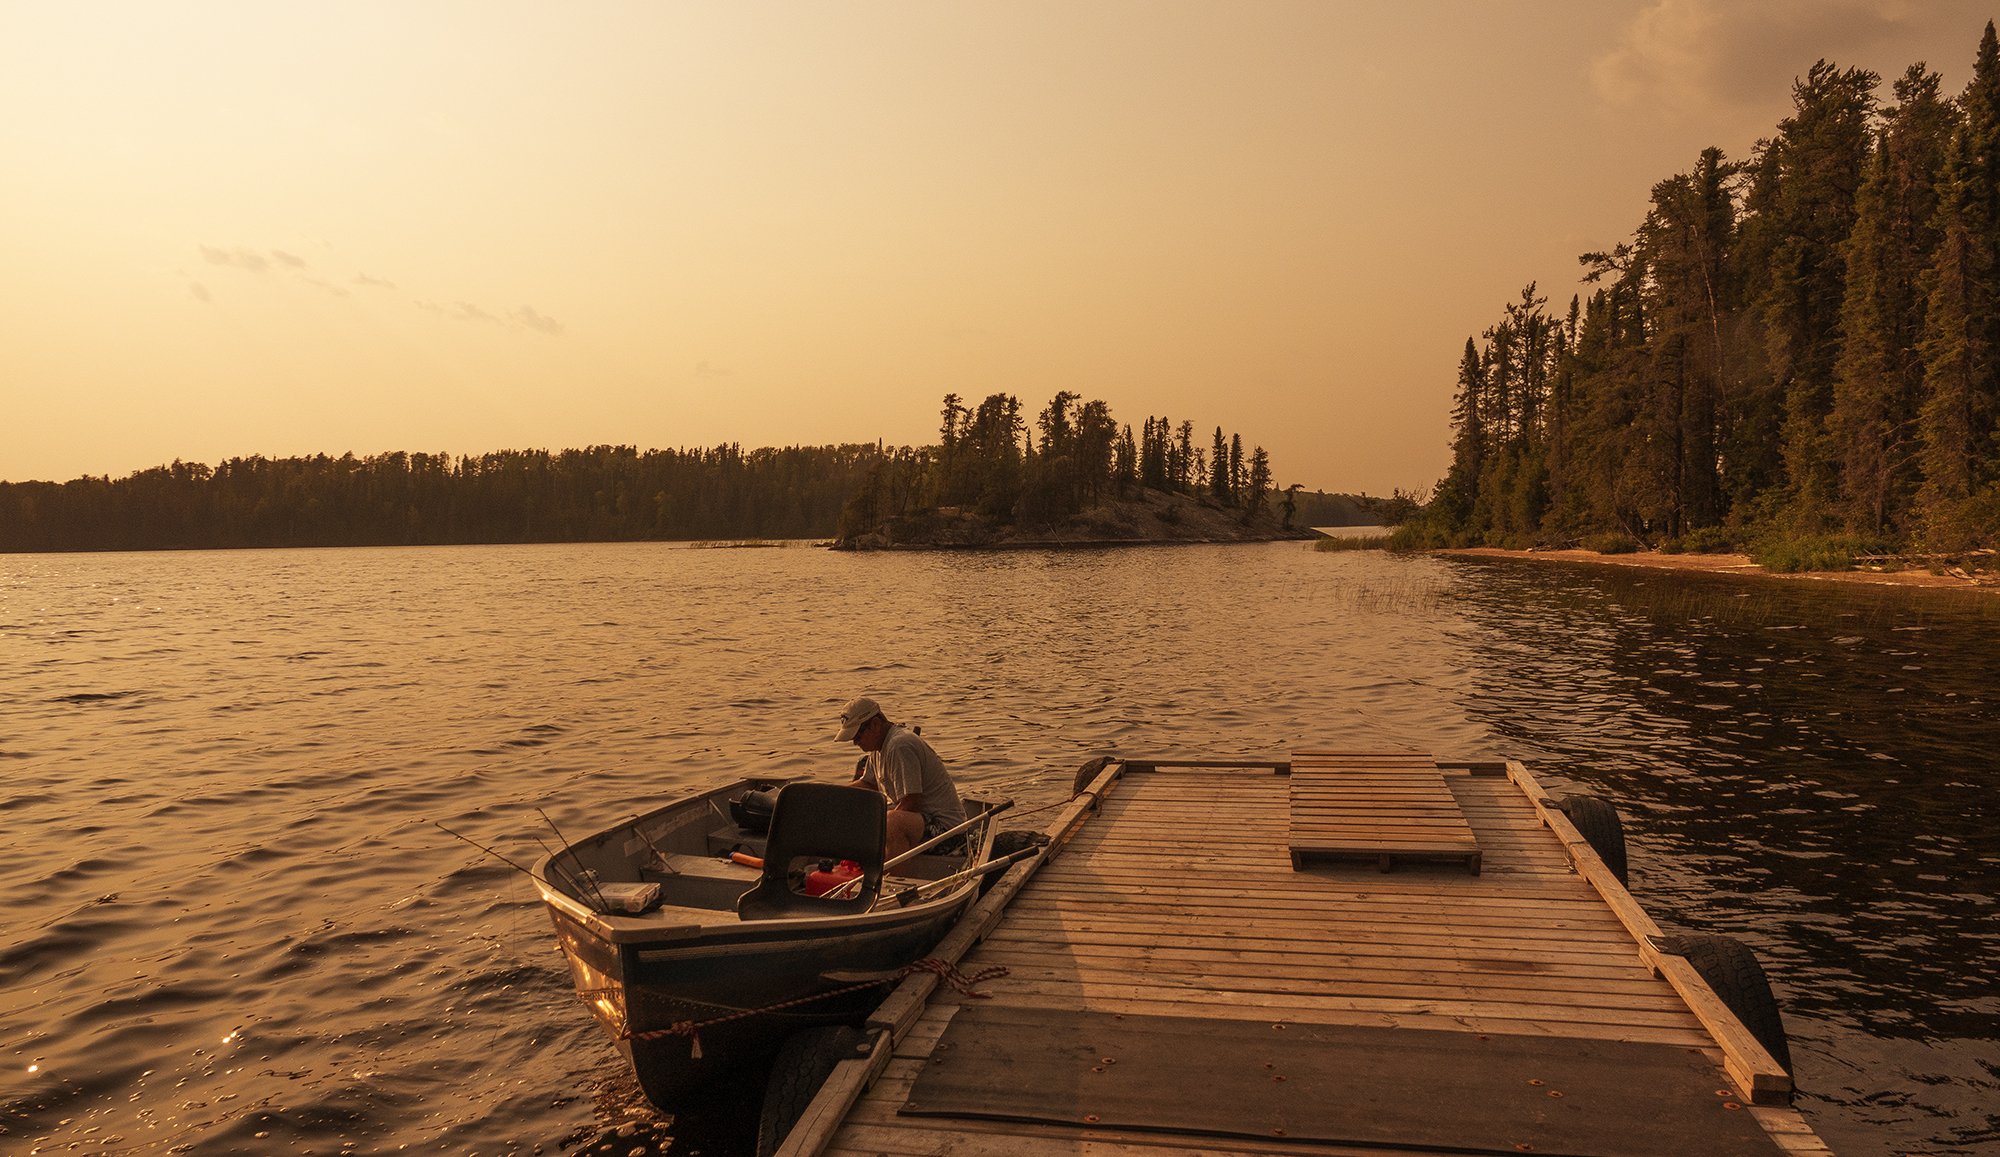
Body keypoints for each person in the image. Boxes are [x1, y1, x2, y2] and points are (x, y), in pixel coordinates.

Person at [834, 696, 966, 859]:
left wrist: (876, 834)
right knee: (858, 813)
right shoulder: (877, 750)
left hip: (947, 832)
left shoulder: (899, 745)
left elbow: (912, 802)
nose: (855, 743)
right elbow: (868, 784)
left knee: (892, 823)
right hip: (919, 823)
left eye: (857, 737)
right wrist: (833, 797)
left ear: (875, 725)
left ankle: (893, 880)